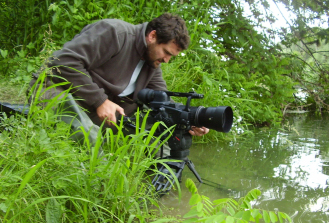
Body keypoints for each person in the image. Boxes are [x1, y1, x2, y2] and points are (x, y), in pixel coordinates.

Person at [29, 13, 209, 150]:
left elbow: (162, 100)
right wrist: (99, 100)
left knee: (157, 137)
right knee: (89, 138)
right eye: (166, 52)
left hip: (94, 106)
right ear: (152, 36)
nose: (167, 60)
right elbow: (63, 61)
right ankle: (102, 185)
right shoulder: (115, 32)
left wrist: (190, 117)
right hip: (54, 88)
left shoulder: (152, 64)